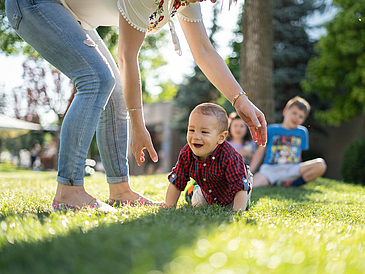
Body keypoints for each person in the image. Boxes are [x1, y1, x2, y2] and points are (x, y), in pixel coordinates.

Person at [5, 0, 266, 212]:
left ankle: (120, 191)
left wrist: (239, 100)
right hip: (35, 4)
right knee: (98, 78)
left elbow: (204, 51)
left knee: (115, 88)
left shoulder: (188, 1)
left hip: (73, 16)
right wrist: (138, 126)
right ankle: (69, 191)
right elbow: (127, 56)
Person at [165, 103, 252, 212]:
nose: (196, 136)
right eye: (192, 130)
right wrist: (169, 208)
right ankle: (193, 191)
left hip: (233, 192)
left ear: (221, 138)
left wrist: (237, 212)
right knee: (198, 204)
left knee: (238, 205)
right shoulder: (186, 153)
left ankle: (195, 189)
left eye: (204, 132)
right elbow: (176, 181)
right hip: (208, 191)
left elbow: (240, 187)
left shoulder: (230, 156)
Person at [250, 96, 327, 188]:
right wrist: (250, 171)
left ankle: (291, 184)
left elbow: (299, 155)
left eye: (301, 116)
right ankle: (276, 182)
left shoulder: (302, 132)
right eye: (294, 113)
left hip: (292, 169)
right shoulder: (270, 130)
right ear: (285, 112)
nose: (297, 117)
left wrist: (298, 169)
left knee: (320, 164)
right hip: (270, 170)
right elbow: (260, 152)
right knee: (251, 184)